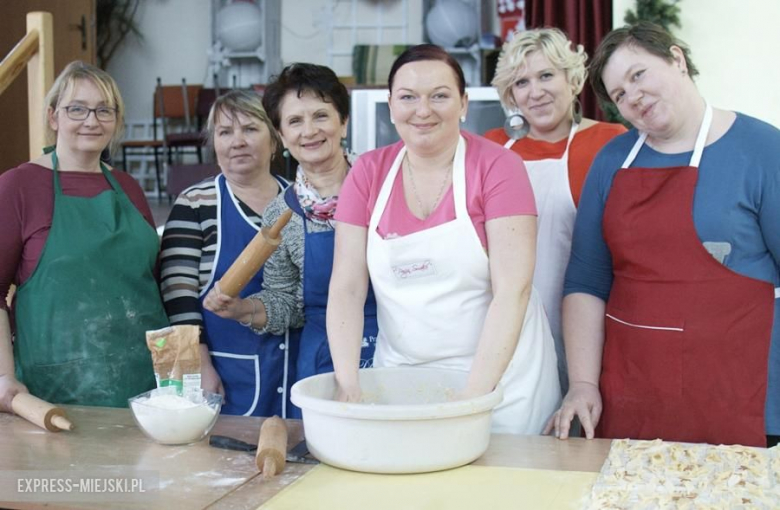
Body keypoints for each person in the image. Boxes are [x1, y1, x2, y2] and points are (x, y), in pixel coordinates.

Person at [546, 22, 780, 448]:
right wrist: (582, 383)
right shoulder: (612, 162)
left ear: (676, 58)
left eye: (638, 75)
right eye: (618, 95)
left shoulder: (762, 150)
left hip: (739, 394)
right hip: (634, 391)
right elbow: (586, 282)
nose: (632, 96)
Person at [327, 44, 561, 434]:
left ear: (463, 103)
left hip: (502, 383)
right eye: (408, 97)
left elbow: (512, 291)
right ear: (390, 105)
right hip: (401, 379)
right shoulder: (367, 173)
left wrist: (473, 396)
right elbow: (348, 287)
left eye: (439, 96)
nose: (423, 110)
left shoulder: (498, 167)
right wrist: (349, 383)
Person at [203, 64, 378, 404]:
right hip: (320, 361)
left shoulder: (383, 186)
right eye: (295, 121)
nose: (309, 131)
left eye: (321, 116)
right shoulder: (281, 213)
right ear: (281, 136)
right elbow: (286, 302)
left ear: (344, 122)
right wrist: (243, 310)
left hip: (392, 349)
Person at [0, 61, 168, 411]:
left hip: (145, 386)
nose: (92, 121)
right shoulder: (19, 186)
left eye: (104, 110)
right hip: (56, 389)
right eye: (77, 108)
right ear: (53, 117)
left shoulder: (130, 188)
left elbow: (151, 281)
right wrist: (4, 378)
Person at [485, 28, 626, 395]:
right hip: (504, 320)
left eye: (546, 75)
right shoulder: (492, 149)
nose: (535, 92)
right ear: (510, 94)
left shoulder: (609, 143)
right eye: (521, 82)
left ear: (572, 78)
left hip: (586, 319)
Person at [161, 90, 295, 417]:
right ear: (214, 144)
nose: (238, 141)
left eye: (250, 129)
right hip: (222, 378)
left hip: (297, 371)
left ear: (275, 140)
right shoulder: (195, 202)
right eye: (225, 132)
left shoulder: (301, 201)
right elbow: (176, 299)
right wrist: (198, 368)